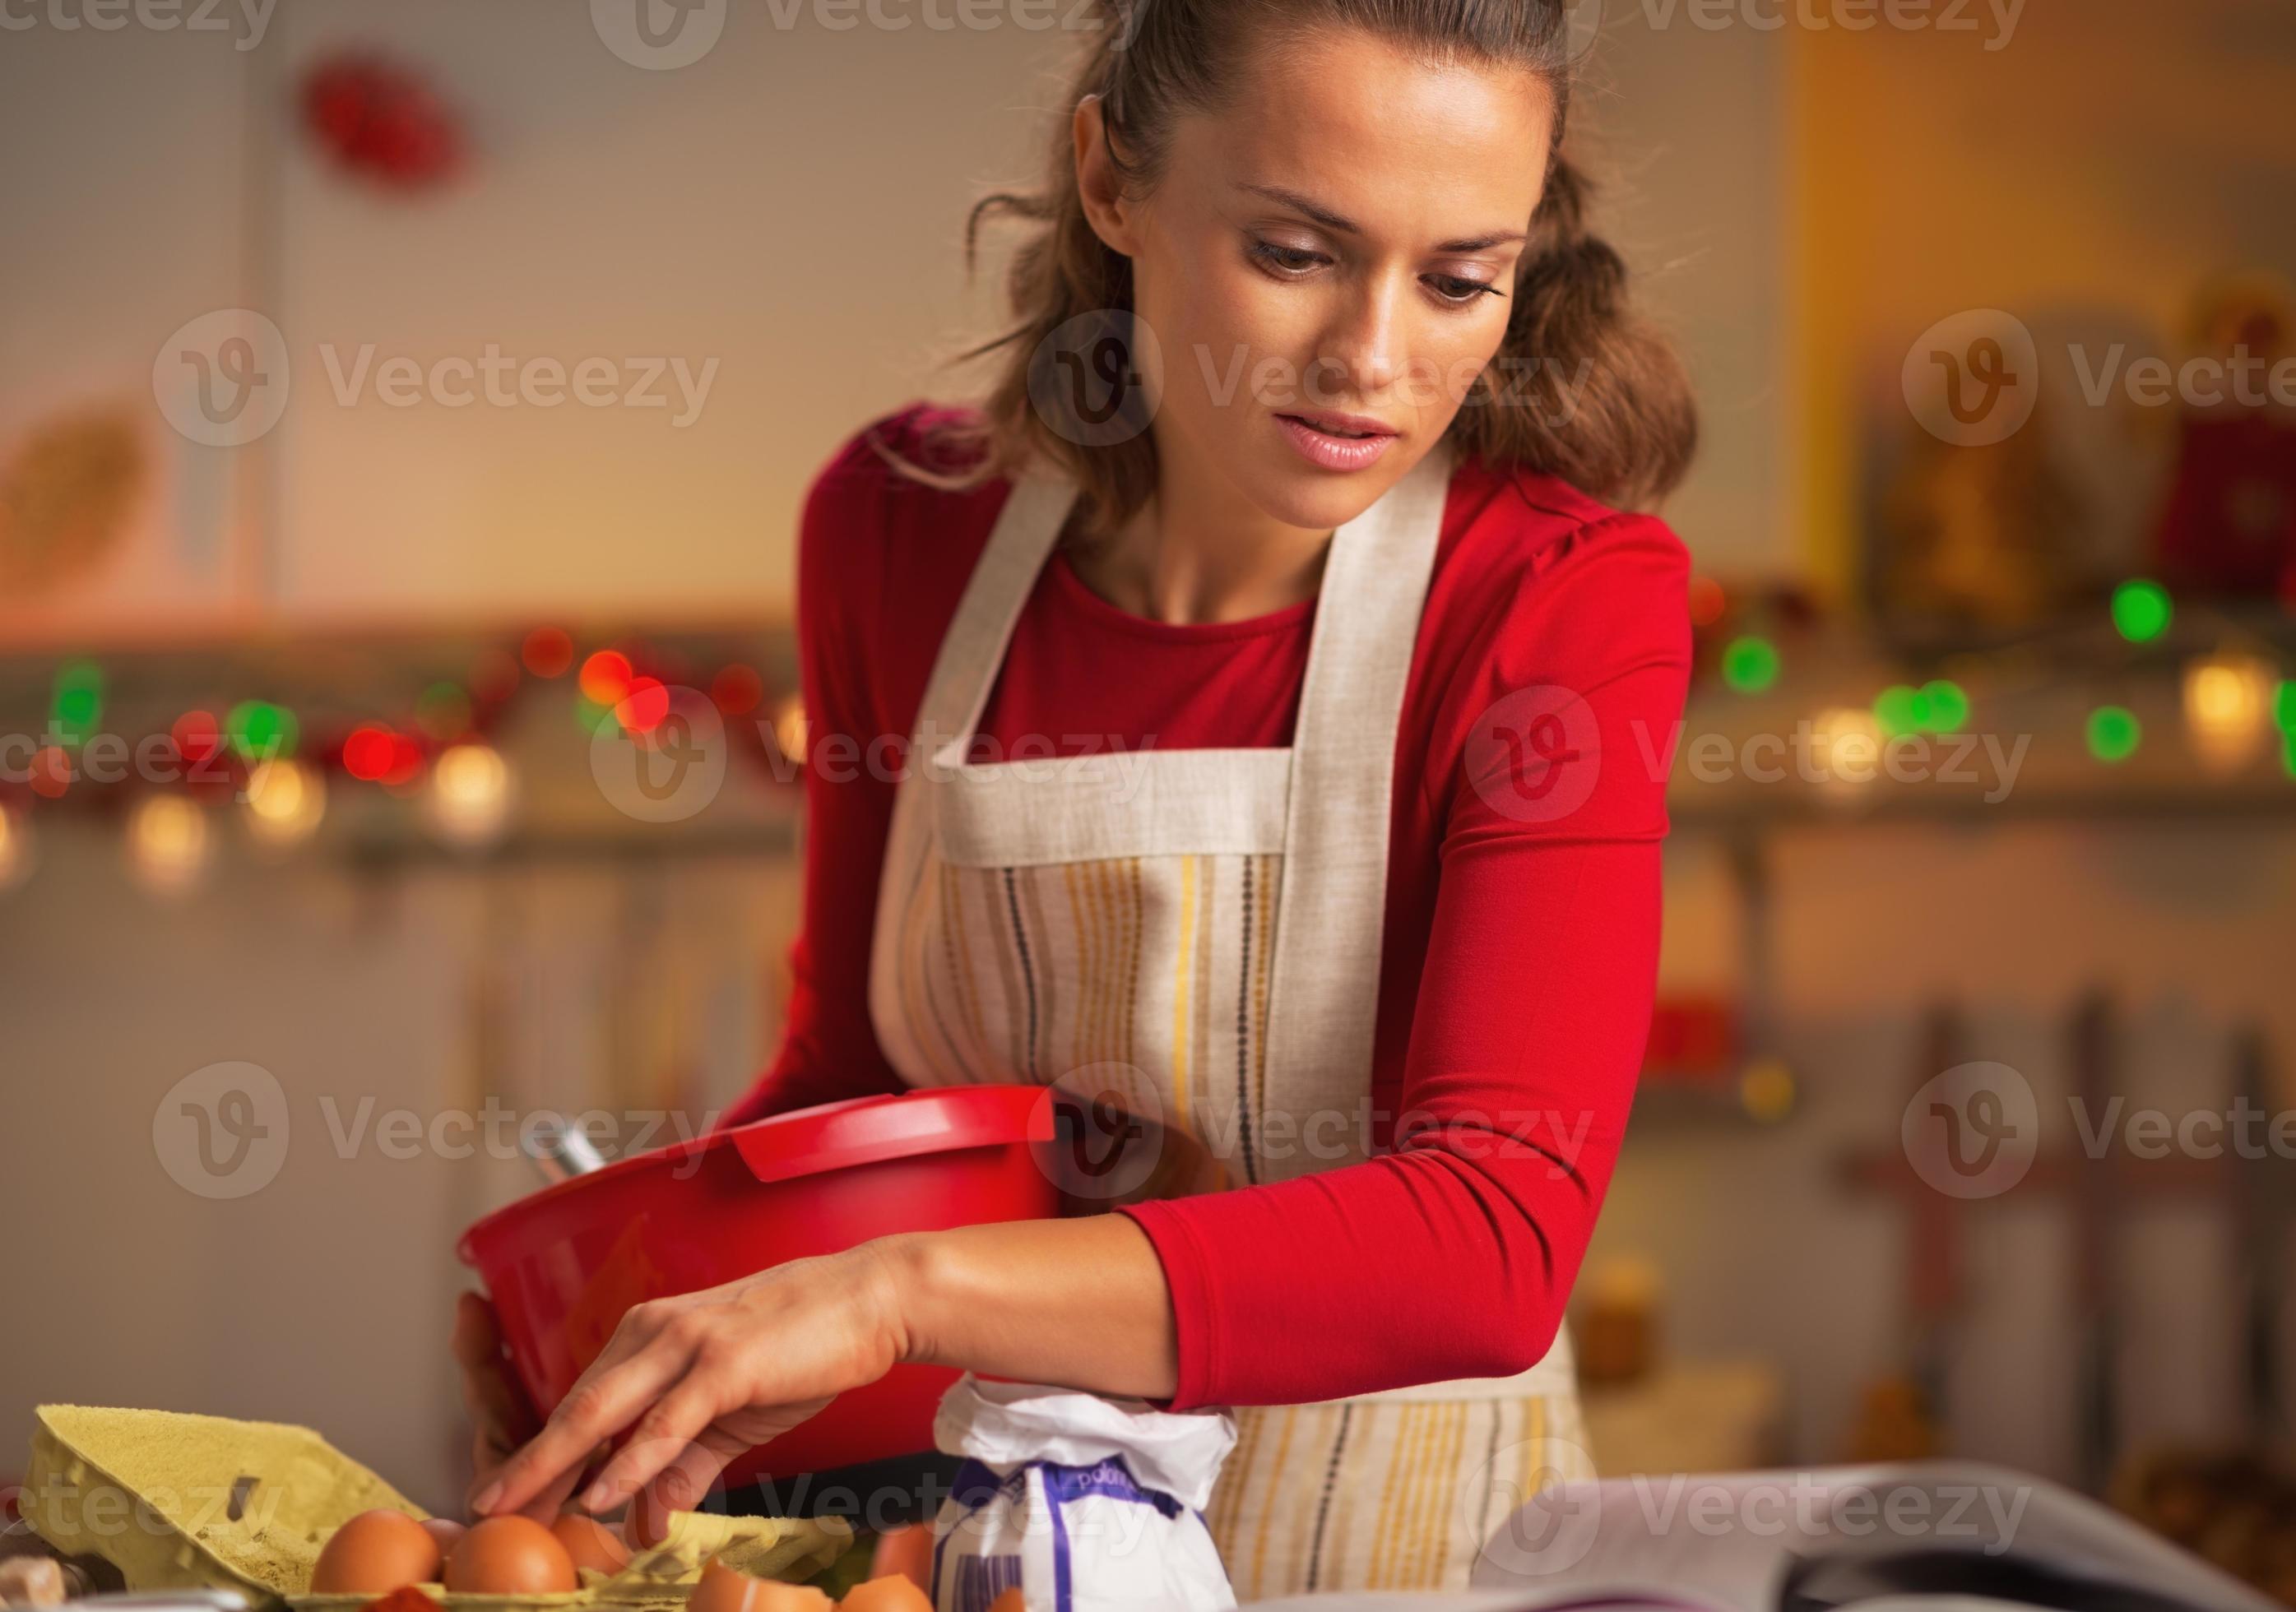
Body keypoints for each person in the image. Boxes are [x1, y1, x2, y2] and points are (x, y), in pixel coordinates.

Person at [461, 0, 1697, 1595]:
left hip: (1394, 1561)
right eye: (1296, 251)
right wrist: (632, 1300)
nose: (1374, 359)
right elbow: (857, 1075)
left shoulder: (1553, 596)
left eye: (1459, 278)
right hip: (977, 1564)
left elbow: (1491, 1236)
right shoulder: (903, 532)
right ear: (1110, 180)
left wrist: (900, 1289)